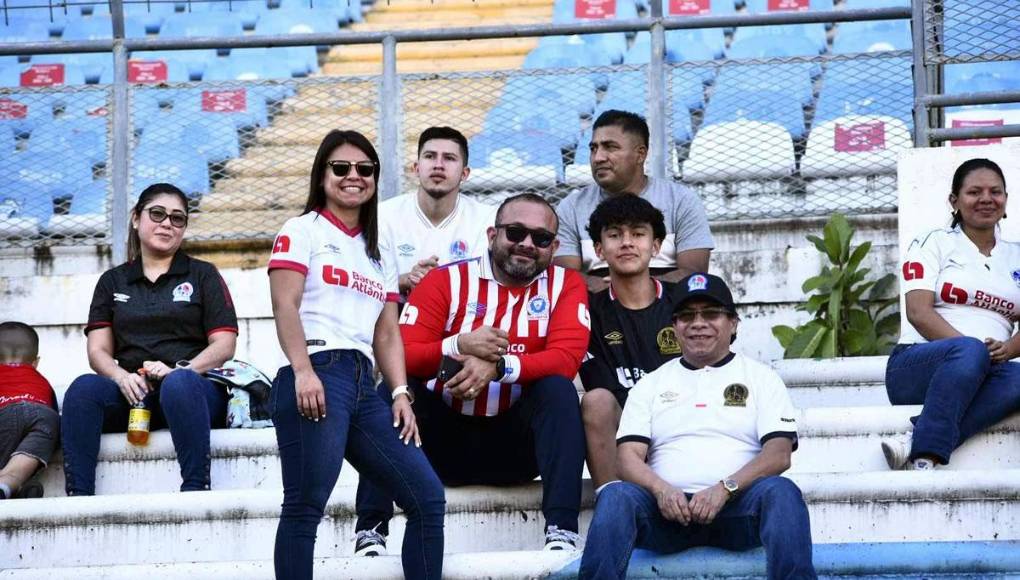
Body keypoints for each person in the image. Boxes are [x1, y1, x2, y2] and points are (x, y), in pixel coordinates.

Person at [354, 192, 590, 554]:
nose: (527, 244)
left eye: (540, 239)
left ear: (554, 246)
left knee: (558, 390)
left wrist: (498, 367)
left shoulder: (566, 284)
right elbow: (402, 353)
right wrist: (459, 347)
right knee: (395, 390)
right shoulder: (445, 280)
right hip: (437, 446)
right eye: (515, 232)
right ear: (492, 235)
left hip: (516, 448)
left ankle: (562, 532)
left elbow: (566, 359)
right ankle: (371, 530)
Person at [268, 129, 444, 580]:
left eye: (364, 169)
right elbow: (284, 305)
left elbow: (387, 331)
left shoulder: (376, 250)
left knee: (426, 497)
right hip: (318, 371)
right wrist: (303, 369)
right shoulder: (301, 229)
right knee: (306, 505)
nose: (353, 177)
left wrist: (401, 392)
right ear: (322, 175)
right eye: (340, 168)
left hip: (366, 384)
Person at [579, 272, 816, 580]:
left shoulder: (761, 378)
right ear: (674, 326)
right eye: (686, 316)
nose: (698, 323)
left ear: (733, 324)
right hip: (665, 513)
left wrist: (724, 489)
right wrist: (661, 490)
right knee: (616, 496)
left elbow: (779, 453)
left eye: (711, 314)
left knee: (782, 493)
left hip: (738, 510)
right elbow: (626, 458)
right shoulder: (651, 383)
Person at [61, 183, 238, 496]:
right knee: (83, 390)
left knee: (178, 385)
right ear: (135, 218)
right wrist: (121, 377)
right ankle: (79, 497)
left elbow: (224, 344)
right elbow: (98, 350)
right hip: (134, 393)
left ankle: (196, 489)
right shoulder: (112, 281)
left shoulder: (203, 274)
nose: (167, 223)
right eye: (157, 214)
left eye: (177, 218)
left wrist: (180, 370)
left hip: (193, 390)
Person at [882, 158, 1020, 470]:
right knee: (969, 349)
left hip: (989, 371)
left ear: (1006, 200)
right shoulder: (933, 242)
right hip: (917, 364)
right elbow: (918, 312)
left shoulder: (1017, 255)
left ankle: (917, 442)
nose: (986, 198)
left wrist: (1008, 349)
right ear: (954, 201)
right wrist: (975, 354)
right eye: (974, 192)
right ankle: (925, 454)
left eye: (995, 192)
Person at [579, 195, 685, 494]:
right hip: (625, 430)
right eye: (614, 235)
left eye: (638, 234)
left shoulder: (684, 302)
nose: (627, 243)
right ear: (599, 249)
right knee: (596, 401)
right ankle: (614, 504)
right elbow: (600, 388)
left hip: (687, 422)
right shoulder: (588, 311)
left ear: (656, 246)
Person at [554, 109, 714, 292]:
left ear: (640, 154)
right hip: (597, 312)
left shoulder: (681, 200)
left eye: (610, 147)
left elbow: (694, 274)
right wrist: (611, 294)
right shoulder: (571, 207)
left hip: (667, 311)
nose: (598, 157)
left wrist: (632, 292)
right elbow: (564, 278)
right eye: (593, 148)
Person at [379, 126, 496, 297]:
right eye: (430, 156)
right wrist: (406, 279)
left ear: (464, 173)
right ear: (416, 168)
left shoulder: (486, 219)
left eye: (449, 158)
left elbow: (490, 287)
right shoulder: (383, 215)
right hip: (396, 317)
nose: (438, 165)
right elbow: (364, 284)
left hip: (461, 320)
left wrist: (437, 280)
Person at [0, 321, 58, 500]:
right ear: (36, 362)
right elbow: (53, 407)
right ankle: (11, 486)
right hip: (45, 416)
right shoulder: (43, 382)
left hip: (4, 413)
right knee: (27, 456)